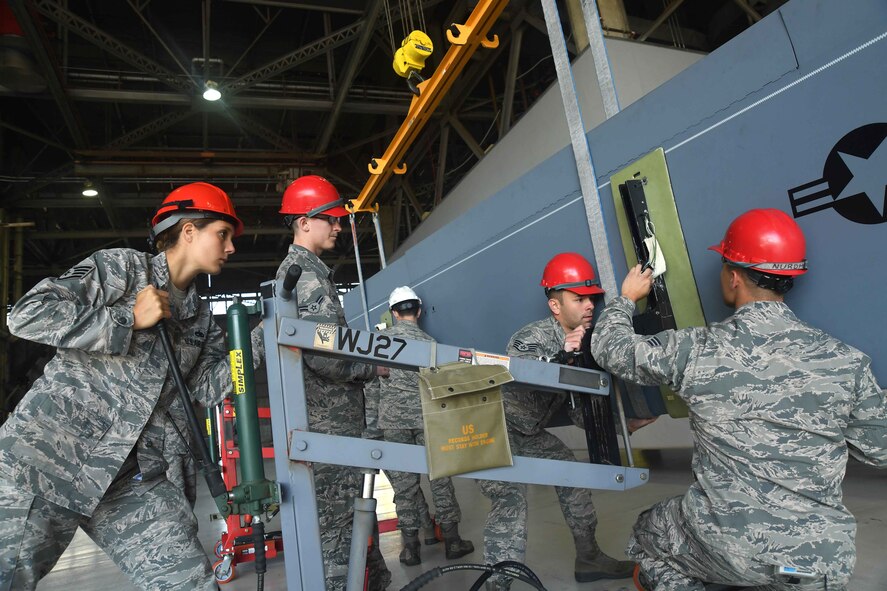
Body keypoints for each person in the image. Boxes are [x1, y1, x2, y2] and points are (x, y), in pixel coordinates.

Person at [590, 208, 887, 591]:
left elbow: (610, 347)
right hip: (818, 562)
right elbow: (880, 450)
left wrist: (626, 299)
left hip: (728, 550)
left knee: (651, 529)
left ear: (733, 277)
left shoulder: (696, 350)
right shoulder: (846, 361)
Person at [0, 182, 263, 590]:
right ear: (189, 231)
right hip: (48, 458)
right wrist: (126, 319)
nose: (231, 248)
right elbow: (27, 315)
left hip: (129, 478)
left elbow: (210, 388)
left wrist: (262, 339)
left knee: (190, 581)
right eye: (223, 234)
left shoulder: (201, 318)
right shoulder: (123, 269)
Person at [480, 252, 638, 590]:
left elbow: (579, 410)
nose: (589, 305)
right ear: (555, 306)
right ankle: (497, 584)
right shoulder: (530, 337)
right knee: (509, 501)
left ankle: (589, 558)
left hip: (531, 434)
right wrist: (560, 358)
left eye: (591, 297)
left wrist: (617, 425)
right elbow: (520, 373)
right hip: (495, 430)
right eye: (578, 298)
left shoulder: (584, 345)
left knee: (573, 479)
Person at [275, 174, 391, 591]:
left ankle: (375, 580)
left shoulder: (302, 274)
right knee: (342, 529)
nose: (339, 226)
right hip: (330, 426)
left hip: (329, 424)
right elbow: (325, 356)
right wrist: (370, 367)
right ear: (305, 222)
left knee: (354, 519)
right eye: (331, 219)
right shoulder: (306, 277)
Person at [377, 286, 474, 566]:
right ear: (417, 311)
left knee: (404, 485)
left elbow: (372, 387)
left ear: (394, 313)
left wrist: (374, 428)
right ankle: (453, 541)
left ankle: (410, 548)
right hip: (428, 419)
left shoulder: (381, 341)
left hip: (393, 422)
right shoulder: (431, 344)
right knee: (440, 478)